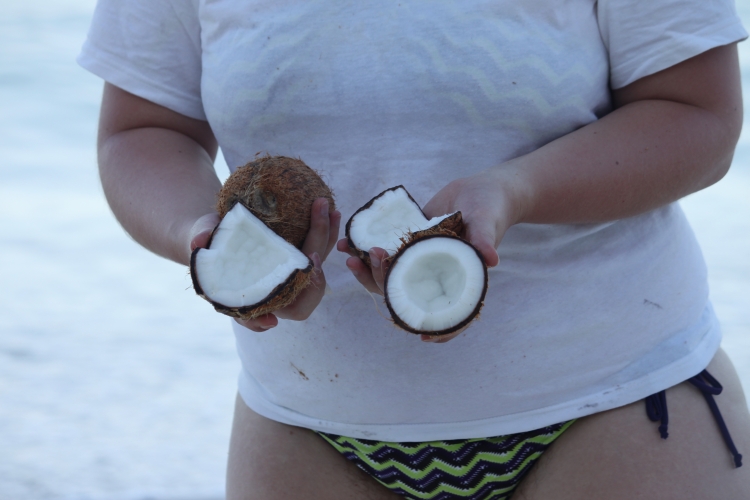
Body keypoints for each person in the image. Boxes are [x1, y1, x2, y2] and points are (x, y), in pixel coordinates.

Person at [79, 1, 750, 498]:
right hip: (305, 423)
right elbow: (144, 129)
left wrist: (515, 191)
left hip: (611, 403)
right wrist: (202, 238)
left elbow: (698, 115)